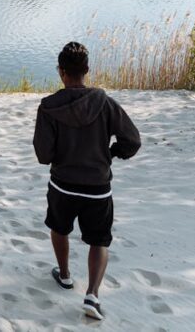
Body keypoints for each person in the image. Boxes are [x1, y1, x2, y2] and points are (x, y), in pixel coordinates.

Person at [33, 42, 141, 321]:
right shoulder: (104, 103)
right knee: (98, 241)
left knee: (59, 228)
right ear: (87, 70)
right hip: (97, 188)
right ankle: (92, 294)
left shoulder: (48, 107)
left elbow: (44, 155)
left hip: (62, 184)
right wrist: (112, 153)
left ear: (61, 72)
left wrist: (62, 153)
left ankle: (65, 275)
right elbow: (132, 140)